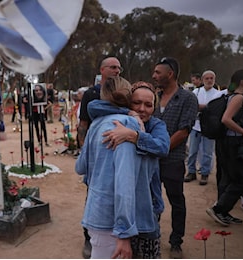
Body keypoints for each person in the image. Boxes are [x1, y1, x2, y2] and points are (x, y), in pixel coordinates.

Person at [75, 76, 145, 259]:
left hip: (94, 213)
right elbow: (124, 183)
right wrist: (123, 232)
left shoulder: (96, 124)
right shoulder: (125, 126)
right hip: (111, 220)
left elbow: (80, 167)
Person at [100, 81, 170, 258]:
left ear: (154, 107)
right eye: (136, 103)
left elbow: (162, 147)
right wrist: (128, 114)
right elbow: (94, 106)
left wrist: (134, 136)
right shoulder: (122, 117)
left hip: (149, 204)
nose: (142, 109)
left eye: (148, 105)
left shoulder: (156, 125)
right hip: (120, 205)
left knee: (148, 251)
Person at [77, 56, 123, 258]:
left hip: (118, 152)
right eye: (113, 67)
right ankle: (89, 238)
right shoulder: (91, 94)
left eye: (119, 68)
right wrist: (84, 150)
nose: (117, 70)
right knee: (93, 196)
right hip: (96, 156)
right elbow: (83, 125)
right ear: (102, 70)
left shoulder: (122, 92)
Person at [152, 57, 198, 258]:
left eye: (157, 72)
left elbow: (184, 130)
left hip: (172, 160)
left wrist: (161, 148)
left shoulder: (187, 98)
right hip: (151, 160)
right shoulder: (154, 96)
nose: (154, 76)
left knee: (176, 201)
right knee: (151, 199)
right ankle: (152, 235)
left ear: (170, 74)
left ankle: (176, 241)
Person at [206, 69, 243, 226]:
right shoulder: (238, 97)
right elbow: (226, 119)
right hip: (233, 143)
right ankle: (219, 209)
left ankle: (223, 211)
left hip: (227, 142)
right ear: (242, 82)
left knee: (230, 177)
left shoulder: (236, 97)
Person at [184, 70, 220, 185]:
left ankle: (205, 173)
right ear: (203, 80)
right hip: (196, 125)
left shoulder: (218, 94)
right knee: (192, 150)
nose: (209, 80)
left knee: (207, 152)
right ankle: (191, 171)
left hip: (210, 127)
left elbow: (216, 110)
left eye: (211, 78)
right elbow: (192, 106)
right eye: (207, 78)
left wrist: (204, 108)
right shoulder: (196, 91)